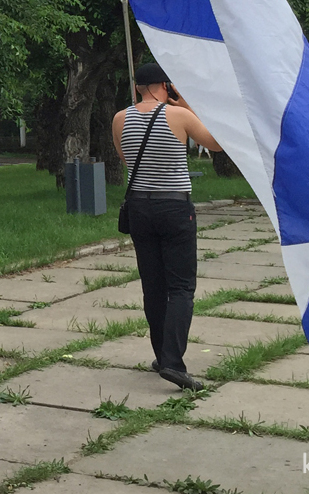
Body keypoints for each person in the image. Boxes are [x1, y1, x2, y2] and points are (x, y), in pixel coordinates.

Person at [112, 61, 221, 392]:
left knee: (153, 285)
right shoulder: (180, 116)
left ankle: (162, 355)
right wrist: (185, 103)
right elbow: (215, 144)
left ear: (137, 88)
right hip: (174, 206)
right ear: (166, 86)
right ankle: (173, 363)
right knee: (181, 288)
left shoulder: (120, 119)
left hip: (140, 208)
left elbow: (125, 159)